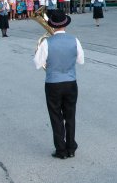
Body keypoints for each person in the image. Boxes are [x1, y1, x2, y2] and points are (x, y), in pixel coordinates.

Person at [33, 10, 85, 159]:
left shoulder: (46, 43)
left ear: (52, 25)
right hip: (70, 82)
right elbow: (80, 61)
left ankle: (61, 150)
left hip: (53, 84)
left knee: (56, 117)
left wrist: (39, 52)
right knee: (70, 116)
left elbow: (38, 64)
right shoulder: (74, 40)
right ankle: (71, 148)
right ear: (65, 24)